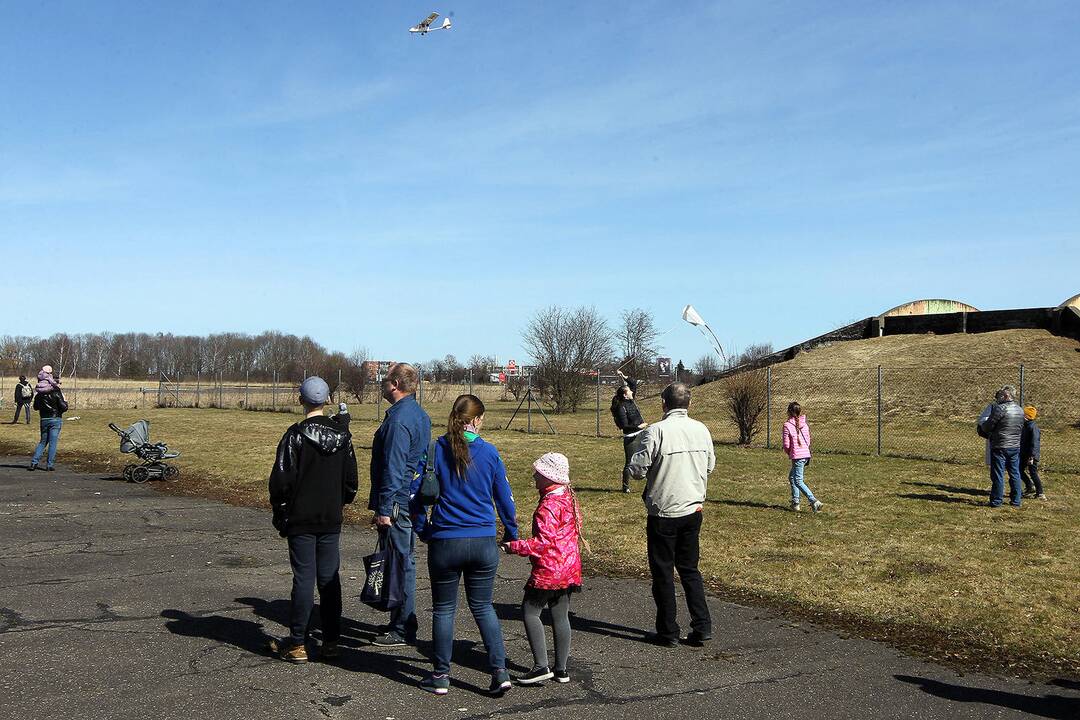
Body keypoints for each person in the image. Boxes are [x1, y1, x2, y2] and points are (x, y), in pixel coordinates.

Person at [410, 394, 518, 696]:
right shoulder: (490, 453)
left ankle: (441, 674)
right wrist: (511, 532)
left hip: (445, 540)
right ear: (478, 420)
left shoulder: (434, 450)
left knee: (444, 610)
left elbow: (413, 497)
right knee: (483, 606)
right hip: (482, 541)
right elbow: (505, 500)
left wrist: (424, 530)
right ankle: (499, 670)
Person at [267, 378, 358, 663]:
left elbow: (281, 481)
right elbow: (351, 482)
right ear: (328, 399)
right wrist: (338, 502)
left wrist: (281, 513)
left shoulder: (294, 436)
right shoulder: (343, 437)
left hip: (301, 518)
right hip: (330, 517)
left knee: (304, 579)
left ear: (300, 400)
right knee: (329, 578)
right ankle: (331, 640)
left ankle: (297, 642)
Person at [628, 382, 714, 648]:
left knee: (663, 573)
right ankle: (702, 626)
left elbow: (638, 470)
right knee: (689, 569)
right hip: (692, 508)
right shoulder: (701, 429)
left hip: (664, 512)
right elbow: (710, 465)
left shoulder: (656, 431)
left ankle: (668, 631)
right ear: (689, 404)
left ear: (664, 404)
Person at [503, 452, 584, 685]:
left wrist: (514, 547)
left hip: (549, 569)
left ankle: (540, 666)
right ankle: (561, 669)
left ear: (550, 477)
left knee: (530, 612)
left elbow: (542, 542)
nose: (534, 476)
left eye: (539, 473)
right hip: (569, 567)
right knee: (560, 615)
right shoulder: (569, 497)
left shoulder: (548, 506)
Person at [368, 362, 431, 647]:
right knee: (403, 560)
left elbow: (394, 466)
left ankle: (404, 626)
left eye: (385, 380)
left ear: (394, 384)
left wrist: (384, 509)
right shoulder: (419, 414)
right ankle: (399, 621)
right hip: (410, 496)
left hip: (398, 500)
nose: (382, 384)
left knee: (400, 562)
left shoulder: (398, 420)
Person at [978, 386, 1025, 508]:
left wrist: (982, 427)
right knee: (1015, 473)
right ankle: (1016, 500)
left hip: (1000, 445)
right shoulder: (1020, 410)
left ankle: (996, 501)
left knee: (998, 474)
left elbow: (988, 426)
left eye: (1000, 396)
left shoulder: (1000, 409)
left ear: (1006, 396)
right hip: (1015, 446)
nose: (998, 399)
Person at [782, 402, 823, 513]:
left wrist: (790, 452)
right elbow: (808, 441)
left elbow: (786, 444)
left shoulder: (787, 425)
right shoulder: (804, 424)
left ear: (789, 412)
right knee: (792, 477)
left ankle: (814, 501)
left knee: (798, 480)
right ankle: (795, 503)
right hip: (805, 455)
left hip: (797, 456)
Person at [612, 370, 647, 493]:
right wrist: (638, 427)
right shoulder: (621, 407)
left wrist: (623, 376)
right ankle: (625, 487)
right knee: (629, 462)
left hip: (641, 434)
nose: (632, 391)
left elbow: (633, 383)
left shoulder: (631, 400)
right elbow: (624, 426)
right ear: (625, 395)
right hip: (631, 437)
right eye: (629, 391)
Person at [29, 375, 67, 471]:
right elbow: (64, 407)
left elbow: (35, 407)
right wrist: (65, 402)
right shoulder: (56, 393)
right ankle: (49, 465)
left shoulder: (39, 395)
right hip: (55, 419)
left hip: (44, 419)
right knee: (53, 443)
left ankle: (34, 463)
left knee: (43, 442)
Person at [1020, 406, 1045, 500]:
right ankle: (1029, 486)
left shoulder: (1032, 427)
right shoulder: (1026, 425)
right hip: (1024, 453)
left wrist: (1032, 456)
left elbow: (1034, 443)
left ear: (1027, 416)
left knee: (1033, 472)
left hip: (1031, 455)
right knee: (1019, 470)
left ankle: (1040, 493)